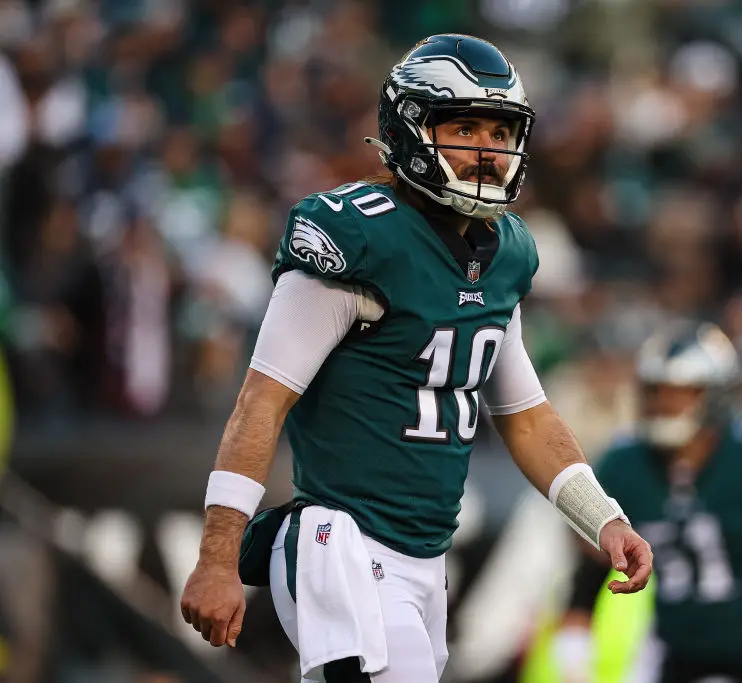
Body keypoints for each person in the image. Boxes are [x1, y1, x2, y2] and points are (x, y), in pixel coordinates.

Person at [178, 34, 653, 683]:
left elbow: (527, 417)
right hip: (338, 543)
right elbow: (262, 399)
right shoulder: (357, 234)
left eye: (499, 130)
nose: (487, 150)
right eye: (464, 127)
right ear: (410, 129)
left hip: (425, 557)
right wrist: (216, 557)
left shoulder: (504, 252)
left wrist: (604, 519)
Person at [554, 320, 742, 683]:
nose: (663, 403)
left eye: (680, 391)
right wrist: (574, 646)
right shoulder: (626, 464)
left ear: (713, 395)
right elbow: (590, 568)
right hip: (673, 659)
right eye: (655, 390)